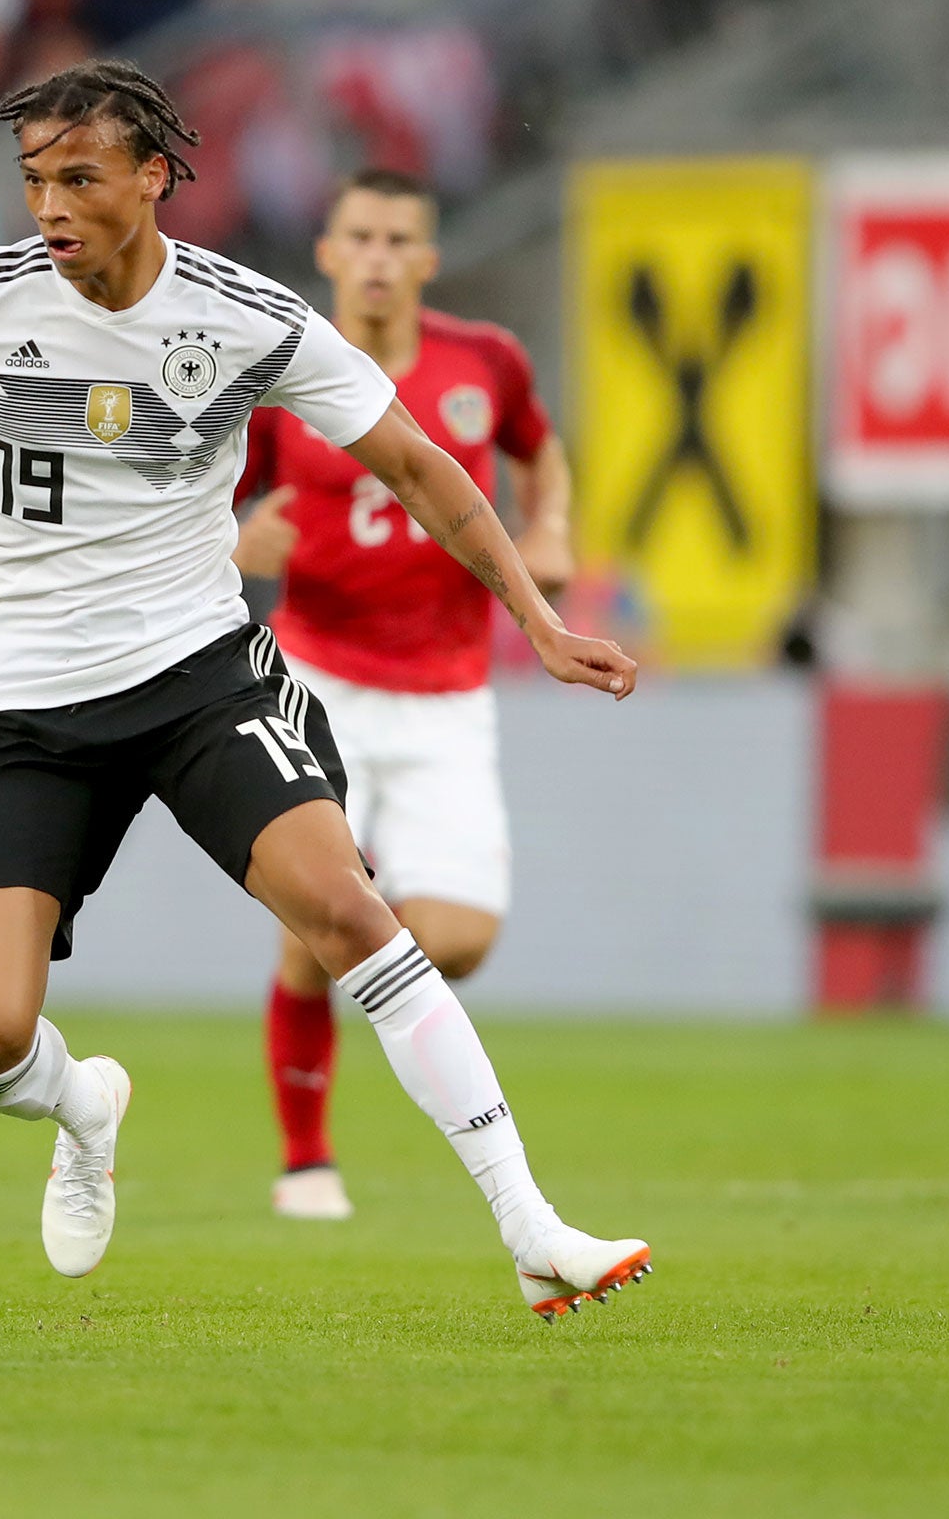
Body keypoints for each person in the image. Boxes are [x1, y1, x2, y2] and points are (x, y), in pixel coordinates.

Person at [0, 60, 652, 1318]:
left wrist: (537, 617)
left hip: (197, 681)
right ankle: (82, 1108)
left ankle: (529, 1227)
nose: (48, 206)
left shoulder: (249, 318)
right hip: (23, 713)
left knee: (347, 912)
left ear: (152, 179)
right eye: (33, 179)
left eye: (76, 177)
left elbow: (418, 464)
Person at [231, 167, 576, 1224]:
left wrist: (549, 525)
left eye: (397, 240)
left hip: (444, 692)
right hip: (315, 679)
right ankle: (303, 1158)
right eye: (359, 238)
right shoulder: (280, 373)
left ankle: (358, 971)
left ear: (425, 260)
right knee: (314, 916)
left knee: (456, 938)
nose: (377, 257)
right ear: (328, 253)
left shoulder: (485, 363)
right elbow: (207, 498)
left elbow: (536, 450)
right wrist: (235, 543)